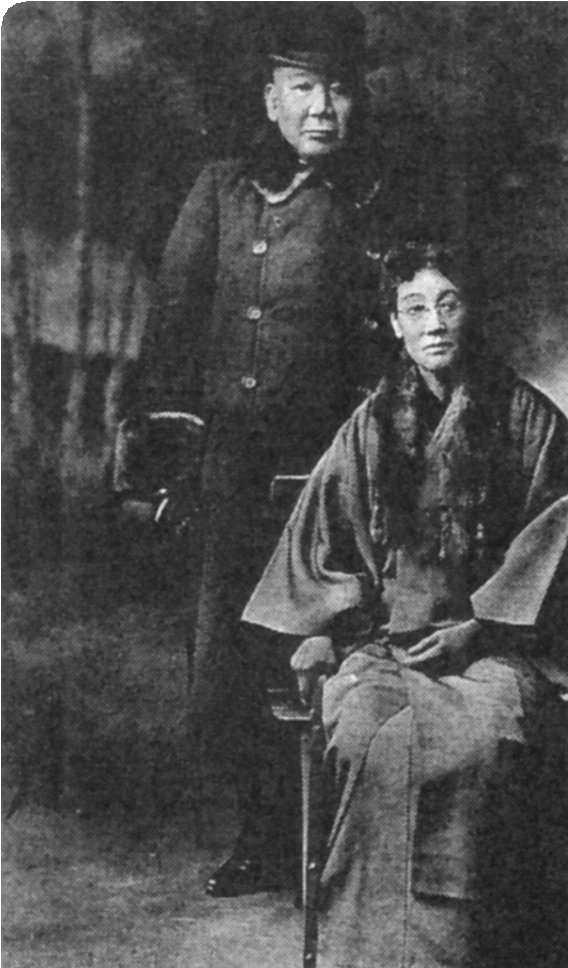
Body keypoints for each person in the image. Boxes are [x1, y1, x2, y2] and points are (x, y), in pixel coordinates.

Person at [134, 3, 446, 898]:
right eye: (303, 87)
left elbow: (407, 344)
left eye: (338, 89)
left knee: (331, 650)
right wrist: (166, 450)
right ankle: (264, 835)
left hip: (337, 467)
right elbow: (174, 322)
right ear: (270, 97)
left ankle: (336, 846)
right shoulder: (222, 188)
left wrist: (392, 455)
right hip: (231, 467)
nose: (322, 108)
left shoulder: (377, 202)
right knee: (229, 662)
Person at [242, 240, 568, 968]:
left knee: (479, 743)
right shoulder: (370, 425)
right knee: (366, 733)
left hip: (498, 648)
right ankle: (373, 959)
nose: (434, 322)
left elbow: (558, 553)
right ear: (395, 325)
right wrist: (321, 631)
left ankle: (453, 959)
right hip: (385, 646)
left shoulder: (531, 421)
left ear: (472, 314)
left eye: (448, 303)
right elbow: (326, 542)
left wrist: (481, 627)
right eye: (415, 307)